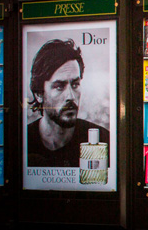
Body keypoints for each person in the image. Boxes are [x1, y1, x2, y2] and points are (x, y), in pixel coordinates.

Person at [26, 39, 109, 167]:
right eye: (59, 86)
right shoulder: (23, 141)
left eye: (75, 84)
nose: (70, 96)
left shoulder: (102, 140)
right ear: (39, 94)